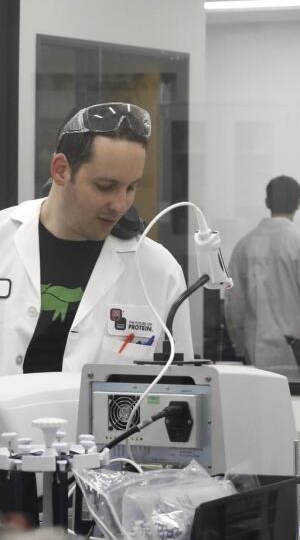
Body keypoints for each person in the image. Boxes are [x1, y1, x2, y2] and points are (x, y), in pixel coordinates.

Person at [0, 102, 192, 375]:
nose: (120, 204)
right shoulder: (4, 237)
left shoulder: (159, 272)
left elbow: (179, 394)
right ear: (61, 170)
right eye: (106, 186)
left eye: (131, 187)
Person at [224, 175, 300, 379]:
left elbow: (234, 304)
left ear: (267, 202)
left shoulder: (244, 246)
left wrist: (240, 346)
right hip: (296, 354)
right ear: (298, 203)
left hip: (255, 352)